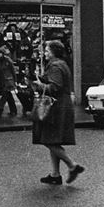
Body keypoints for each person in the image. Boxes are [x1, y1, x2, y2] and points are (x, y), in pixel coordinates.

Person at [33, 40, 84, 185]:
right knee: (52, 139)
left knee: (48, 140)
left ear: (54, 52)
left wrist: (39, 85)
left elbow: (55, 87)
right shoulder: (61, 64)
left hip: (56, 107)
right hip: (62, 105)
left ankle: (72, 166)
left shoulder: (55, 66)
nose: (45, 53)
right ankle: (55, 175)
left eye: (47, 50)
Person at [0, 47, 18, 116]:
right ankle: (13, 110)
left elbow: (13, 71)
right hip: (1, 80)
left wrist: (15, 81)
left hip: (8, 80)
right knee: (8, 96)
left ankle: (0, 109)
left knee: (4, 94)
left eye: (0, 53)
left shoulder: (8, 60)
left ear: (3, 53)